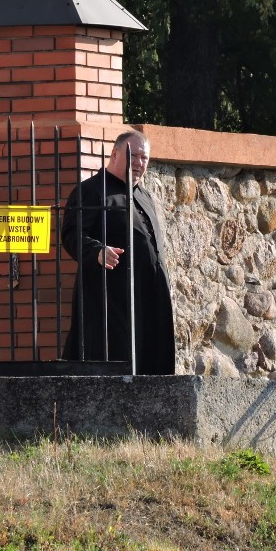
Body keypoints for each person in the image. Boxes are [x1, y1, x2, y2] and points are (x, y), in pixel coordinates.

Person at [61, 130, 175, 374]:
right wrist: (97, 252)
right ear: (114, 154)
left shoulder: (144, 196)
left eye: (144, 158)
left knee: (150, 362)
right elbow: (71, 235)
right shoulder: (91, 191)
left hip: (148, 296)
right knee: (115, 363)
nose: (139, 163)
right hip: (110, 299)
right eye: (133, 155)